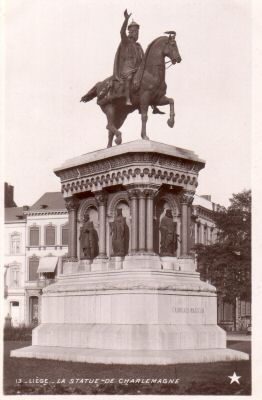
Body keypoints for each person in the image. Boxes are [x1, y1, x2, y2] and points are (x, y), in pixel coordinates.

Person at [113, 10, 164, 114]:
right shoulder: (126, 42)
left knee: (149, 82)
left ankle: (153, 106)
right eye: (135, 31)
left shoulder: (139, 46)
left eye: (138, 31)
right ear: (131, 32)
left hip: (138, 69)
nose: (137, 33)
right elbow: (122, 32)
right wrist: (126, 20)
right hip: (128, 69)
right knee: (129, 78)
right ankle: (127, 98)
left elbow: (143, 59)